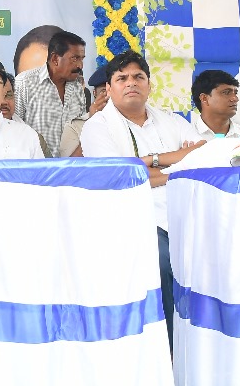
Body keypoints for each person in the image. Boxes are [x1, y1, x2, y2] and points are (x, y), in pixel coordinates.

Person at [78, 50, 205, 346]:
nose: (131, 83)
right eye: (122, 78)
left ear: (149, 84)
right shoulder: (97, 127)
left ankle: (193, 350)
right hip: (132, 221)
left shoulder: (171, 120)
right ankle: (167, 352)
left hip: (183, 214)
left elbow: (201, 156)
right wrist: (176, 166)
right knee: (162, 265)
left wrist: (150, 160)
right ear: (108, 88)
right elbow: (122, 177)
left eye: (138, 77)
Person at [15, 29, 90, 157]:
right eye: (75, 58)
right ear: (55, 58)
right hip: (36, 165)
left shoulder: (78, 87)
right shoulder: (24, 83)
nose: (80, 65)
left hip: (71, 166)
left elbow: (79, 130)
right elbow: (14, 130)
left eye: (82, 59)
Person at [58, 66, 109, 157]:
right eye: (104, 91)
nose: (109, 97)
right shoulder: (75, 126)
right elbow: (71, 164)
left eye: (113, 91)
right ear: (94, 93)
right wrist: (93, 124)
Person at [191, 69, 240, 140]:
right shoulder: (186, 137)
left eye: (235, 93)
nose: (235, 98)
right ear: (204, 98)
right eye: (226, 92)